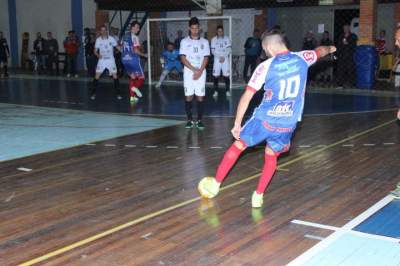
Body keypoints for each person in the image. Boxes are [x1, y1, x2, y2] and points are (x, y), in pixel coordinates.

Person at [198, 30, 336, 208]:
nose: (265, 53)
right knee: (271, 155)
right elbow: (321, 51)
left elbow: (247, 96)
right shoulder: (304, 57)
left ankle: (215, 184)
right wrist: (331, 48)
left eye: (264, 49)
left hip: (264, 120)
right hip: (288, 122)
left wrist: (237, 124)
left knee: (238, 145)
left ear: (270, 47)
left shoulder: (266, 66)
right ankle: (258, 195)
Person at [180, 17, 210, 129]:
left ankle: (199, 120)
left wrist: (200, 71)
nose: (195, 30)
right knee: (188, 96)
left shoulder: (205, 42)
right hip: (189, 72)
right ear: (189, 28)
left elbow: (206, 58)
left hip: (201, 72)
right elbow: (183, 58)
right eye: (192, 28)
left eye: (196, 28)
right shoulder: (184, 41)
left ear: (199, 28)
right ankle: (189, 120)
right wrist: (194, 70)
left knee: (200, 97)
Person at [91, 25, 122, 100]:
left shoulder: (111, 39)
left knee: (115, 76)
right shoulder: (98, 40)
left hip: (111, 60)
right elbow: (95, 51)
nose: (104, 32)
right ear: (100, 32)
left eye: (105, 30)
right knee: (97, 76)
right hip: (102, 61)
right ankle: (93, 93)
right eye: (102, 30)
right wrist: (98, 55)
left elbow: (117, 47)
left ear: (107, 31)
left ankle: (118, 94)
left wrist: (124, 51)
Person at [121, 21, 147, 103]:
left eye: (139, 28)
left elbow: (121, 48)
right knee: (142, 78)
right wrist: (144, 55)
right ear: (132, 27)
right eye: (137, 27)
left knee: (132, 77)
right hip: (133, 60)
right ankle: (134, 88)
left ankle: (132, 97)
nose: (138, 29)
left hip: (124, 59)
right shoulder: (135, 37)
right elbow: (135, 50)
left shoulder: (124, 36)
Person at [211, 25, 232, 97]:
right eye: (218, 31)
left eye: (221, 31)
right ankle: (215, 91)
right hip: (217, 60)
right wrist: (219, 57)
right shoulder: (213, 39)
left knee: (226, 76)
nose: (220, 32)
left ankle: (227, 91)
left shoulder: (227, 39)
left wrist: (224, 57)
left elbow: (229, 49)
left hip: (225, 60)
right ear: (217, 32)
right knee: (215, 76)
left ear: (223, 31)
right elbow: (213, 51)